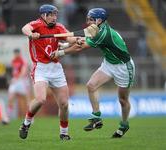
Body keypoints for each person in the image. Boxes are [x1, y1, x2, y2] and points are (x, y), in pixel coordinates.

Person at [51, 8, 135, 138]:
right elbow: (82, 39)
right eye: (88, 19)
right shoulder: (97, 28)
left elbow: (81, 46)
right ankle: (97, 118)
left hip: (123, 67)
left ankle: (124, 125)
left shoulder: (103, 33)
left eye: (91, 19)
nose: (88, 21)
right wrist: (65, 44)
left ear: (99, 20)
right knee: (91, 85)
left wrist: (60, 53)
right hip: (109, 63)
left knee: (123, 100)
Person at [19, 4, 78, 140]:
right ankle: (26, 123)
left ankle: (64, 133)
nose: (53, 17)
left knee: (64, 104)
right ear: (44, 15)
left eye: (55, 14)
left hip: (56, 68)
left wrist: (77, 40)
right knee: (40, 99)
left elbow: (69, 38)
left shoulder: (59, 27)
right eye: (50, 14)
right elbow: (25, 28)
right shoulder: (37, 24)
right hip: (40, 68)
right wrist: (31, 34)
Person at [2, 48, 31, 124]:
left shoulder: (23, 60)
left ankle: (30, 117)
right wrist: (13, 78)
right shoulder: (13, 61)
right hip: (15, 81)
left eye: (17, 53)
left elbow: (23, 72)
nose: (16, 55)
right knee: (10, 98)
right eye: (15, 53)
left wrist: (17, 78)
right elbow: (14, 71)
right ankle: (7, 118)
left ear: (19, 53)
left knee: (27, 100)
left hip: (23, 81)